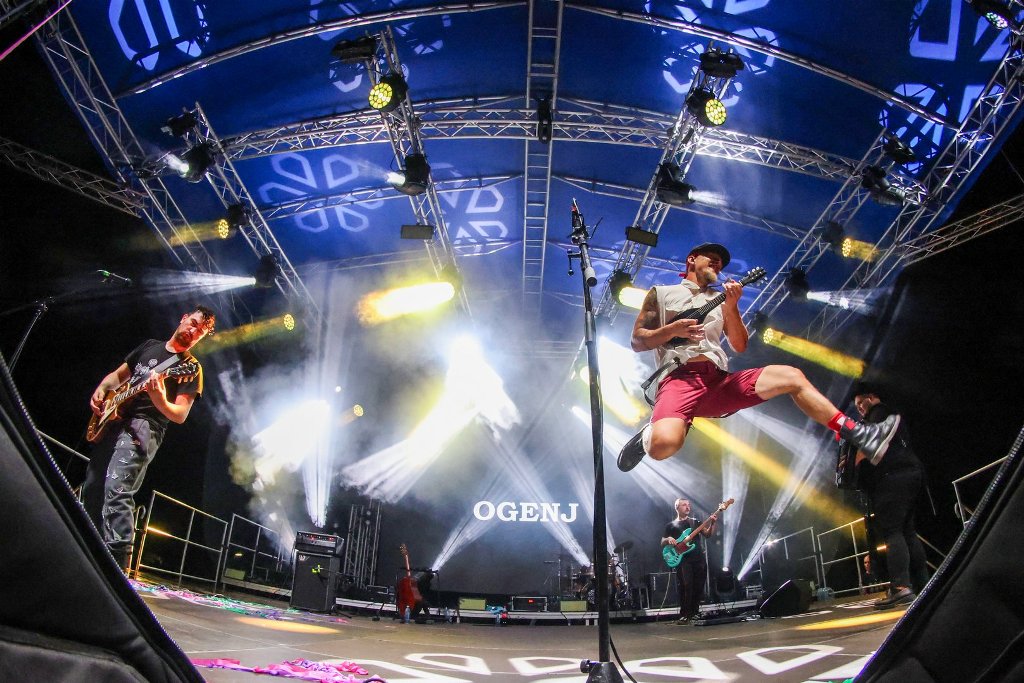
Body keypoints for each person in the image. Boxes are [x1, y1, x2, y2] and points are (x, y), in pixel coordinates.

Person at [617, 242, 901, 473]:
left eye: (721, 262)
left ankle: (857, 433)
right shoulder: (661, 294)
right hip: (679, 379)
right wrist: (672, 330)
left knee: (791, 376)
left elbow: (739, 345)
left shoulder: (721, 300)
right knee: (662, 447)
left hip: (717, 380)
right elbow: (638, 341)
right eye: (711, 258)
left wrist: (732, 307)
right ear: (692, 259)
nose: (717, 263)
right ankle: (650, 434)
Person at [82, 305, 216, 570]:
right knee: (93, 487)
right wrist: (102, 389)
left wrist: (160, 398)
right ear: (183, 318)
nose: (193, 331)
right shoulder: (149, 346)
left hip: (145, 426)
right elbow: (118, 376)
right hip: (114, 420)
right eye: (193, 323)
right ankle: (87, 552)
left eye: (200, 331)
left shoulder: (190, 368)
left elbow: (180, 415)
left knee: (118, 489)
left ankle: (117, 566)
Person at [851, 384, 929, 609]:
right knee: (908, 531)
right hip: (911, 473)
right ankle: (922, 584)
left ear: (871, 397)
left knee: (892, 531)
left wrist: (854, 463)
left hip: (893, 477)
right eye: (856, 406)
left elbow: (866, 447)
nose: (859, 408)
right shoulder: (893, 413)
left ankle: (900, 587)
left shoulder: (878, 414)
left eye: (861, 403)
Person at [662, 498, 716, 624]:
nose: (687, 507)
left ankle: (695, 613)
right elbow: (662, 541)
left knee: (698, 586)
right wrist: (668, 539)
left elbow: (708, 535)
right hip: (683, 559)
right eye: (684, 505)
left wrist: (713, 523)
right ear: (677, 507)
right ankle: (685, 614)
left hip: (698, 558)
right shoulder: (671, 525)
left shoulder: (695, 522)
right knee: (686, 586)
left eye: (688, 505)